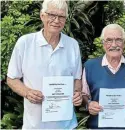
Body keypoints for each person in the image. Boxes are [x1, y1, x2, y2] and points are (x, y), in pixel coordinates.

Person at [7, 0, 82, 129]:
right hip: (35, 125)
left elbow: (77, 78)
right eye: (52, 15)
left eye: (61, 16)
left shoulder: (72, 45)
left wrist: (77, 93)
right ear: (42, 16)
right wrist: (27, 92)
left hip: (66, 125)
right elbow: (11, 78)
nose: (57, 20)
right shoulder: (25, 43)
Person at [82, 24, 125, 129]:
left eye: (118, 40)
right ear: (103, 43)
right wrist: (88, 104)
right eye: (109, 40)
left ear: (124, 43)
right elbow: (84, 94)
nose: (114, 44)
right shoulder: (90, 66)